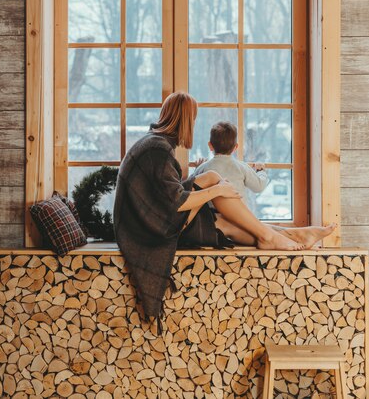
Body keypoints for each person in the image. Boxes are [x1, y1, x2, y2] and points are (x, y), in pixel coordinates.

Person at [113, 92, 336, 322]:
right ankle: (281, 236)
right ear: (186, 120)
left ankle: (293, 234)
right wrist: (217, 191)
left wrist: (213, 185)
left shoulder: (155, 143)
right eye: (193, 120)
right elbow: (176, 202)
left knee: (212, 176)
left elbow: (167, 193)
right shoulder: (158, 149)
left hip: (150, 220)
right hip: (151, 229)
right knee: (223, 221)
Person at [194, 121, 268, 211]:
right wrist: (261, 171)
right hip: (238, 218)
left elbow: (190, 188)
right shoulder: (242, 167)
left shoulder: (203, 168)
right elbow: (259, 186)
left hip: (212, 220)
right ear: (235, 147)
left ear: (210, 145)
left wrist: (197, 168)